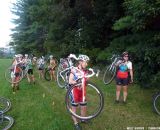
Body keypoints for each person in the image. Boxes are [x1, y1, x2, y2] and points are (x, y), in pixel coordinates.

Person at [69, 54, 90, 130]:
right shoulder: (74, 69)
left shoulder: (86, 71)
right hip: (74, 91)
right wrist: (77, 83)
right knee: (74, 108)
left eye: (87, 62)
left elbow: (87, 82)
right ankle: (76, 123)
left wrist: (87, 80)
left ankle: (83, 119)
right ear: (80, 62)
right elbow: (70, 81)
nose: (87, 64)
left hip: (82, 91)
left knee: (84, 107)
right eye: (85, 62)